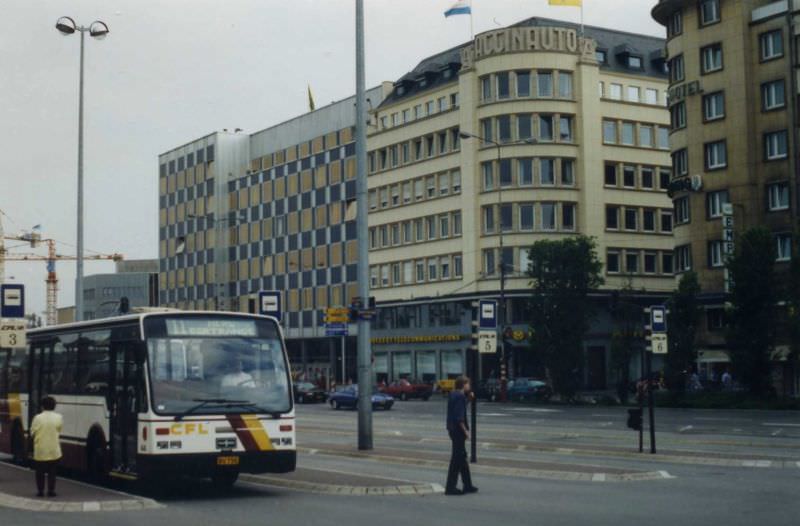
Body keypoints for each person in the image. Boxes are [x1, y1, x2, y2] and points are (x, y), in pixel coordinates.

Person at [445, 376, 478, 496]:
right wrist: (466, 432)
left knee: (462, 457)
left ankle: (467, 484)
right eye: (468, 384)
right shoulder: (459, 396)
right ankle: (450, 487)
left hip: (452, 429)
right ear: (463, 384)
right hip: (458, 430)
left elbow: (459, 409)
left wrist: (468, 399)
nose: (469, 386)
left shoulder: (454, 394)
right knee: (456, 459)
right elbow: (460, 417)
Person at [30, 396, 63, 497]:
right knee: (52, 471)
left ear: (42, 406)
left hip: (41, 449)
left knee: (40, 472)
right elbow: (59, 430)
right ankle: (51, 490)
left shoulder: (37, 418)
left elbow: (32, 432)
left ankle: (40, 491)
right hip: (54, 449)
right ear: (54, 406)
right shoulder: (59, 417)